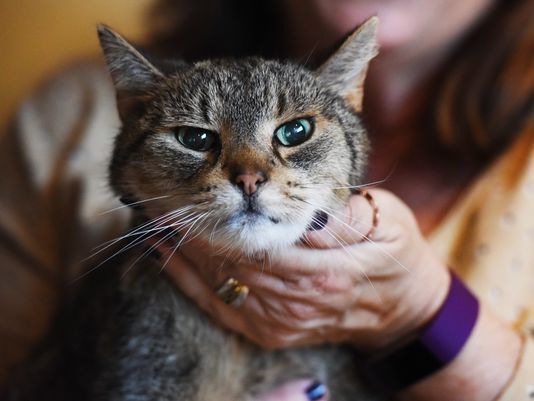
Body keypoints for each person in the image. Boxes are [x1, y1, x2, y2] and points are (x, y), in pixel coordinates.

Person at [0, 0, 531, 400]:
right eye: (197, 139)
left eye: (295, 131)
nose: (250, 175)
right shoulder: (67, 117)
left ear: (351, 96)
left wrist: (422, 313)